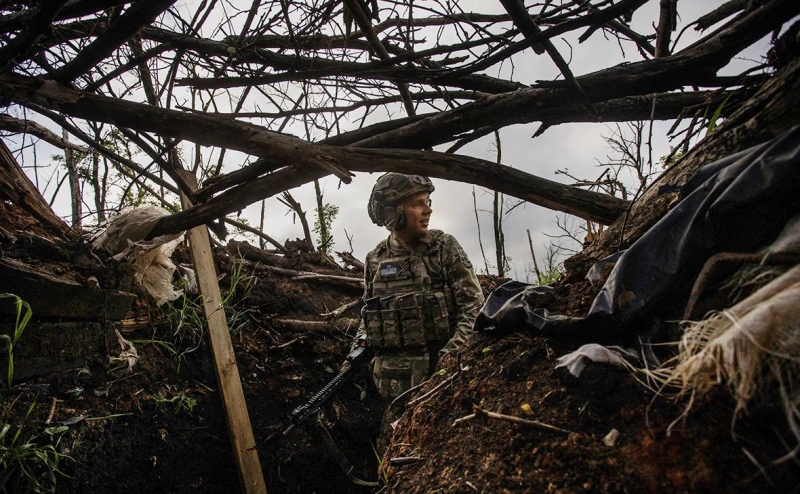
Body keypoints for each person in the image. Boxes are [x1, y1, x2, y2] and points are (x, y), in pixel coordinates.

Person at [351, 172, 485, 407]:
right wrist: (356, 351)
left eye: (428, 202)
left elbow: (473, 307)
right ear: (393, 213)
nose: (428, 210)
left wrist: (449, 358)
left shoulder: (442, 248)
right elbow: (368, 315)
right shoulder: (375, 259)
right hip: (389, 383)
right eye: (418, 204)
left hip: (440, 383)